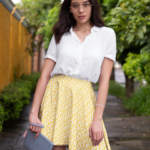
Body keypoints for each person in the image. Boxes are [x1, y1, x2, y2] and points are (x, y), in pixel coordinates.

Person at [23, 0, 117, 149]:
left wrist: (97, 118)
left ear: (93, 6)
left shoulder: (107, 35)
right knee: (54, 146)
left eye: (86, 4)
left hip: (84, 98)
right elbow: (44, 76)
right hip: (56, 95)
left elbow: (104, 80)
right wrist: (33, 113)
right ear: (69, 9)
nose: (81, 10)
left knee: (91, 145)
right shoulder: (60, 34)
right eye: (75, 5)